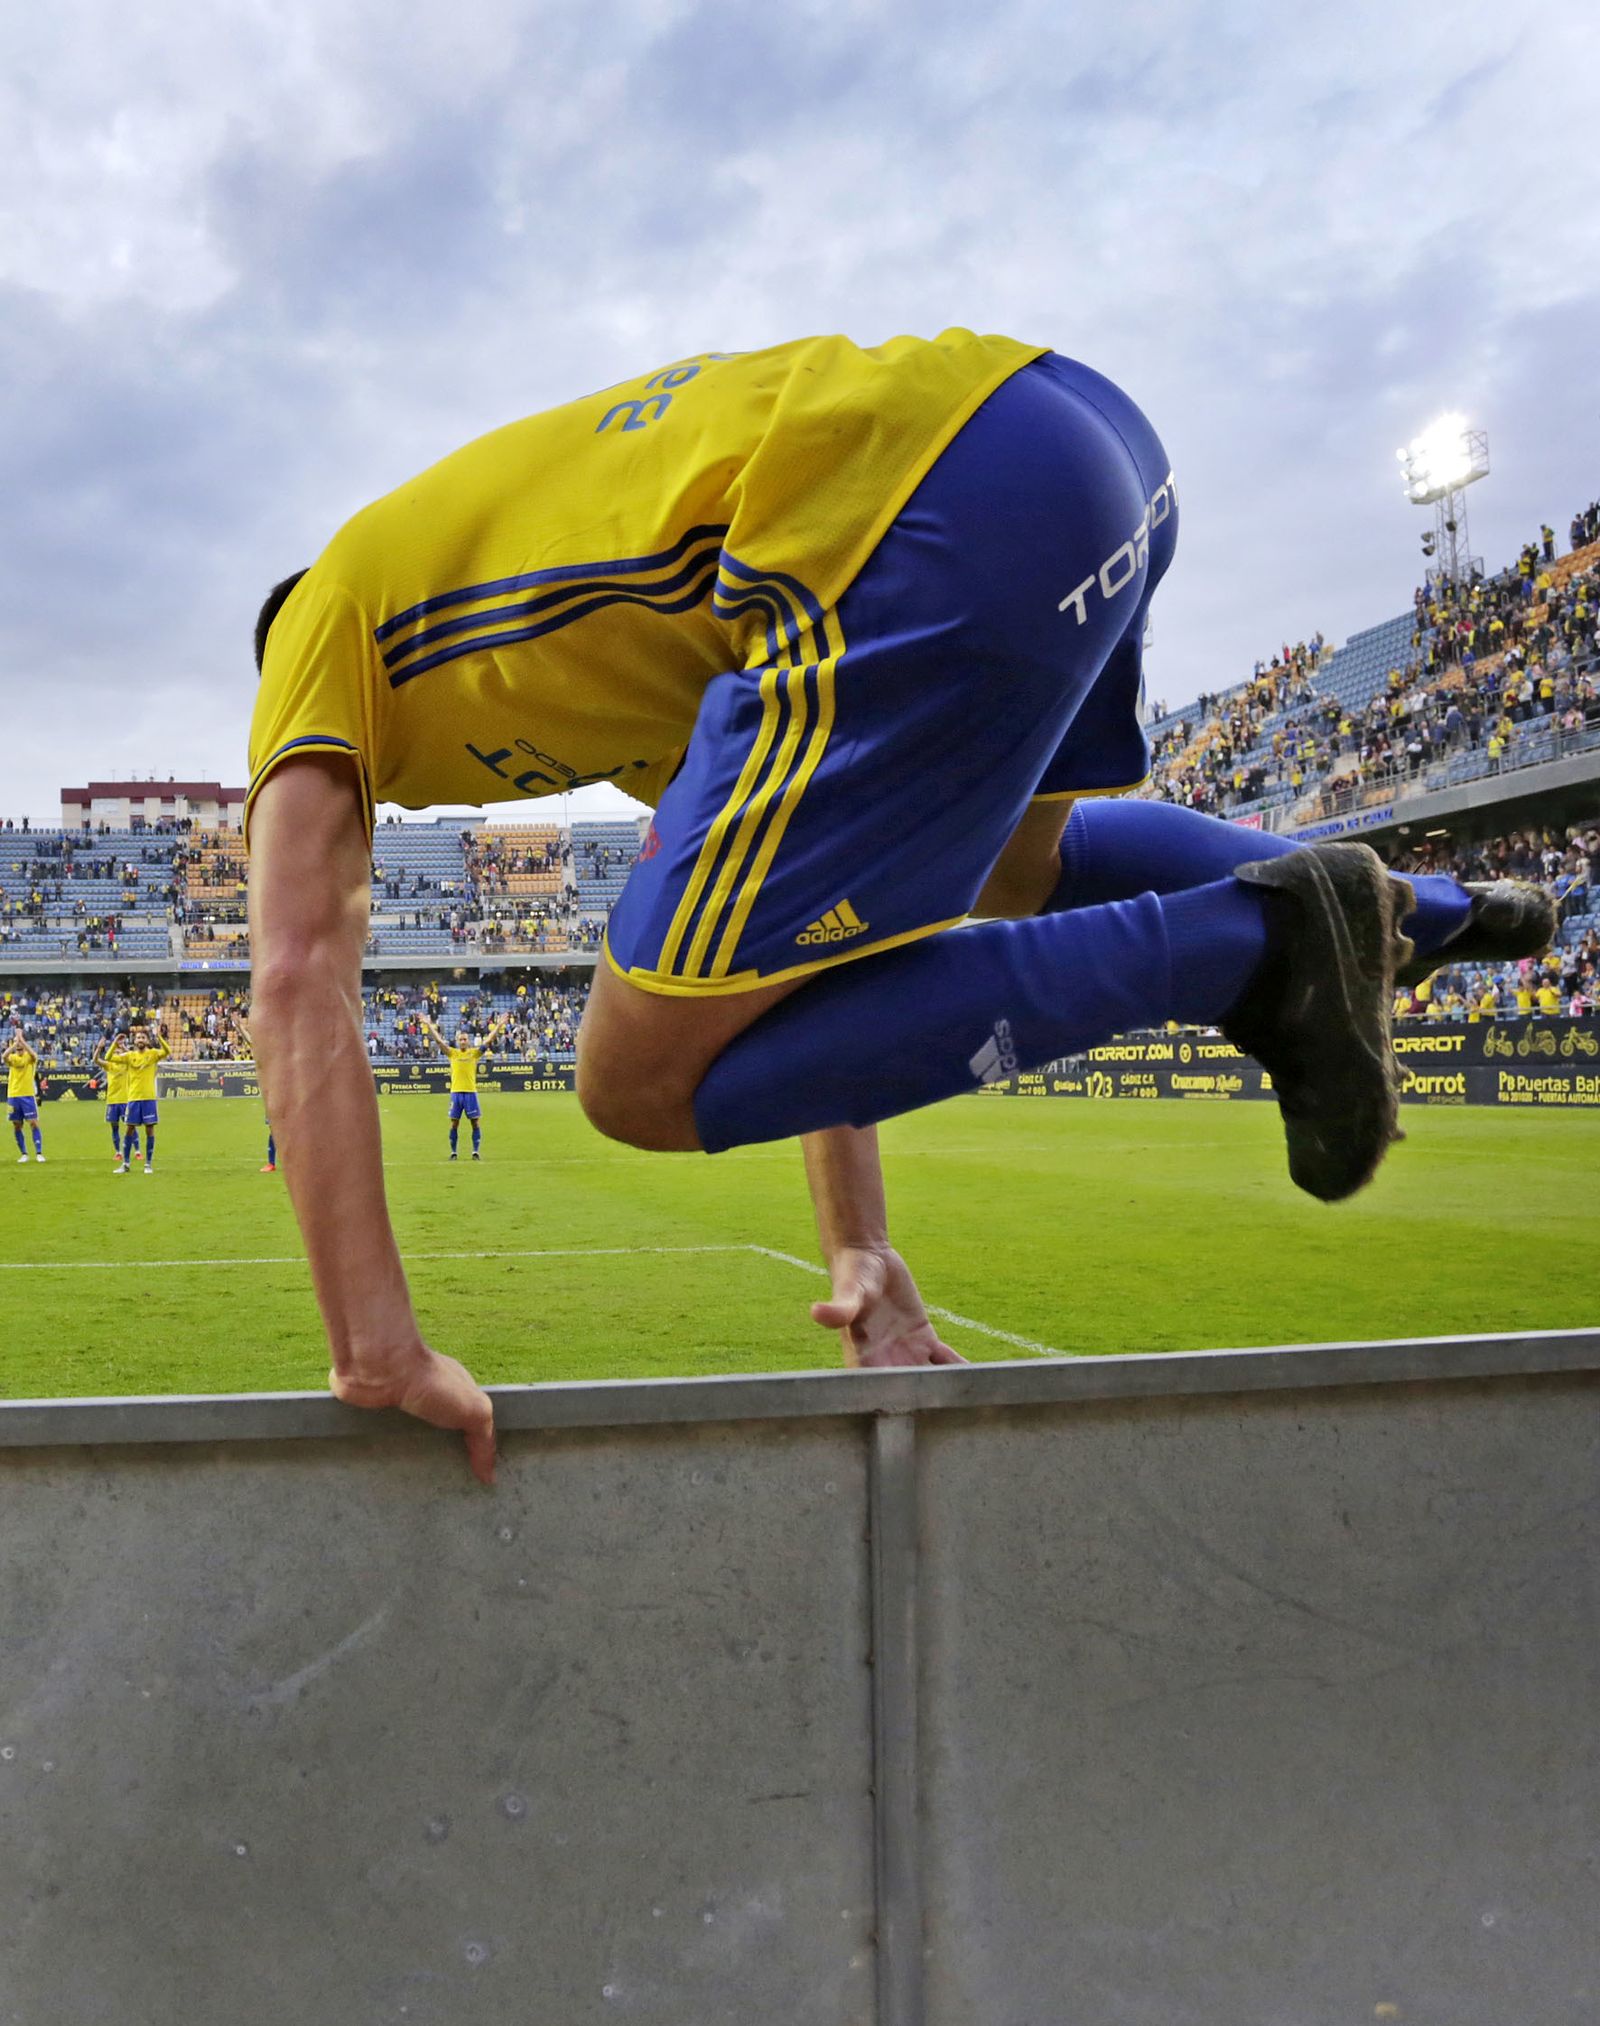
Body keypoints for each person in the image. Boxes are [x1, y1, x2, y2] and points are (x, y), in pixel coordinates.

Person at [245, 330, 1555, 1483]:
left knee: (634, 1083)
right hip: (1069, 444)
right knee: (1019, 873)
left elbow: (298, 970)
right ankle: (1413, 909)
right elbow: (810, 946)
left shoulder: (323, 618)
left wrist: (375, 1348)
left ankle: (1256, 946)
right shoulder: (622, 679)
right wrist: (857, 1241)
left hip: (901, 520)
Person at [421, 1013, 505, 1160]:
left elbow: (488, 1040)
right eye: (461, 1039)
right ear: (458, 1041)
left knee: (475, 1123)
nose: (463, 1041)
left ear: (468, 1041)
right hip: (456, 1093)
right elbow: (439, 1041)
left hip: (470, 1093)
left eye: (465, 1039)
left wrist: (498, 1026)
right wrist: (428, 1025)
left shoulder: (474, 1054)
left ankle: (475, 1152)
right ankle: (453, 1152)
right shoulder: (453, 1053)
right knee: (454, 1123)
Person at [109, 1024, 170, 1175]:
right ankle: (126, 1164)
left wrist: (159, 1037)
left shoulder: (153, 1054)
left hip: (149, 1098)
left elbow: (167, 1051)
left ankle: (148, 1164)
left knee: (149, 1130)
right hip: (133, 1099)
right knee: (129, 1129)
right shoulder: (129, 1056)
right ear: (134, 1041)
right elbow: (108, 1058)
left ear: (147, 1040)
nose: (140, 1039)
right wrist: (115, 1043)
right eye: (138, 1038)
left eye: (143, 1037)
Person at [93, 1029, 132, 1164]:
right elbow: (95, 1060)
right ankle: (118, 1152)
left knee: (130, 1126)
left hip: (125, 1100)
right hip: (112, 1101)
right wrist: (99, 1048)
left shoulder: (126, 1065)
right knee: (114, 1128)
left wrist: (123, 1046)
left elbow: (133, 1056)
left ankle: (137, 1151)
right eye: (115, 1052)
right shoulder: (109, 1065)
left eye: (118, 1052)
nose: (117, 1053)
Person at [6, 1028, 44, 1163]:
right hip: (13, 1096)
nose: (19, 1045)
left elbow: (34, 1054)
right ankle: (24, 1154)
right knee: (17, 1125)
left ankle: (39, 1153)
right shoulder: (12, 1058)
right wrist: (15, 1044)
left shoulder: (29, 1057)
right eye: (16, 1043)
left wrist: (21, 1039)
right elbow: (4, 1057)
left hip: (27, 1095)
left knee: (33, 1123)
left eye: (20, 1043)